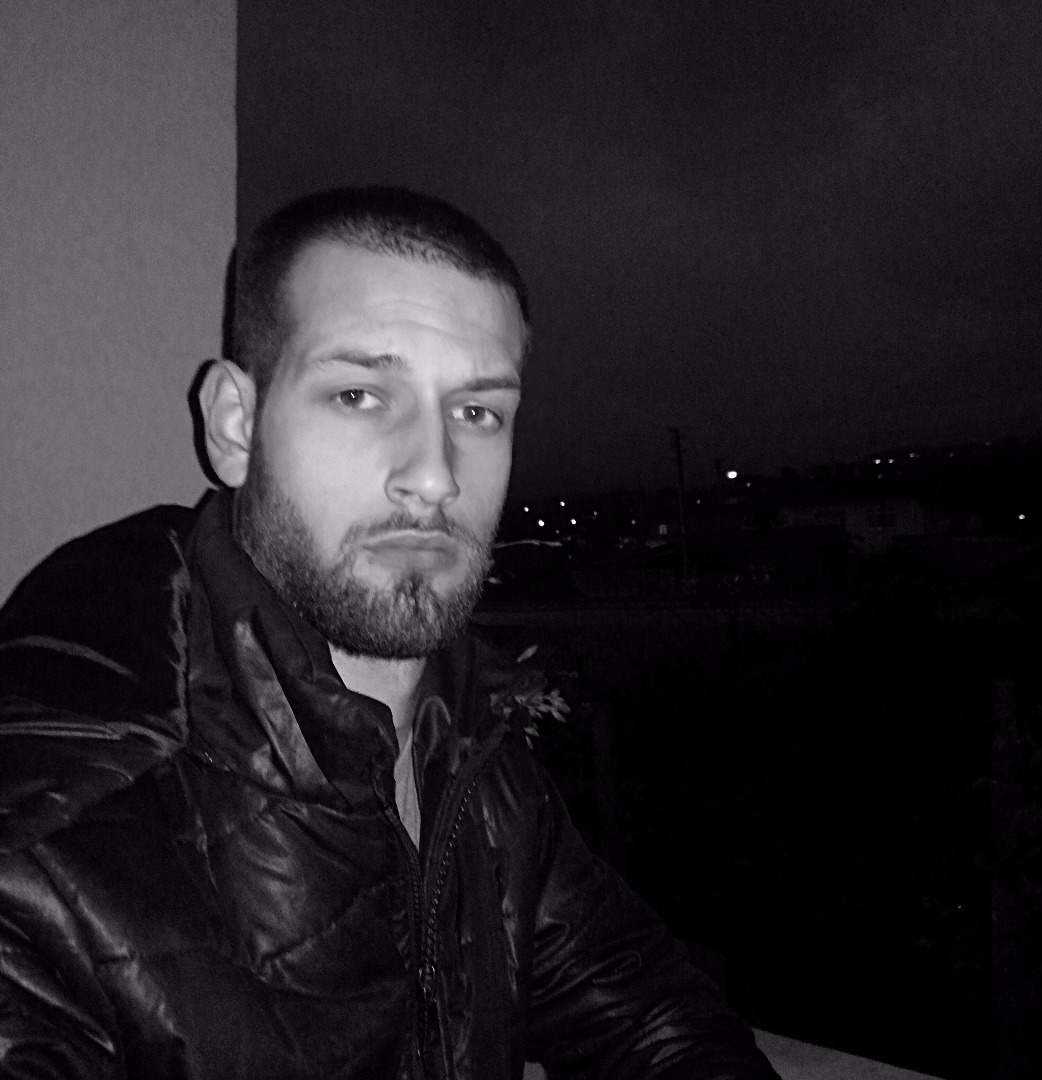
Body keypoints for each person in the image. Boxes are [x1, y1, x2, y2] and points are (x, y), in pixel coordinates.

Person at [0, 187, 778, 1079]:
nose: (435, 475)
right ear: (235, 426)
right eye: (361, 394)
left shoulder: (478, 757)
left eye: (477, 412)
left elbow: (655, 1023)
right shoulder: (52, 852)